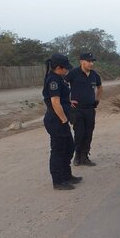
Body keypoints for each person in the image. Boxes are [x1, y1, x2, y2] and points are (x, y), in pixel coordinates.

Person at [42, 54, 82, 190]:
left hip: (60, 120)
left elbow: (61, 98)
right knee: (58, 151)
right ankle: (58, 181)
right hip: (56, 120)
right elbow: (54, 102)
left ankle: (67, 175)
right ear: (59, 68)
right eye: (65, 68)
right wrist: (64, 119)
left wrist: (68, 103)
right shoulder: (53, 80)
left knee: (69, 147)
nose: (67, 70)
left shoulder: (59, 79)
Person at [65, 52, 103, 166]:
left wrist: (97, 100)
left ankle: (85, 156)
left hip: (90, 109)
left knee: (89, 132)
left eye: (92, 61)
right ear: (81, 61)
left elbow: (100, 87)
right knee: (79, 132)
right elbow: (63, 85)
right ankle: (77, 156)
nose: (91, 63)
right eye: (89, 61)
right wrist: (67, 101)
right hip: (77, 109)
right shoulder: (73, 73)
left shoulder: (94, 75)